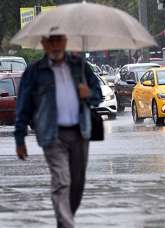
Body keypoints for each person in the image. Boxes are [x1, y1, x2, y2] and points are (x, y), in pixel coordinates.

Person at [14, 35, 102, 228]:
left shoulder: (79, 66)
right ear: (43, 44)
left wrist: (89, 95)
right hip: (52, 135)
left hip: (80, 133)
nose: (55, 45)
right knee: (62, 180)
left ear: (65, 41)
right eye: (50, 41)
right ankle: (68, 224)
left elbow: (98, 94)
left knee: (77, 184)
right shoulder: (35, 71)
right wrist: (19, 138)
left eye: (58, 40)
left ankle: (64, 221)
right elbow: (23, 106)